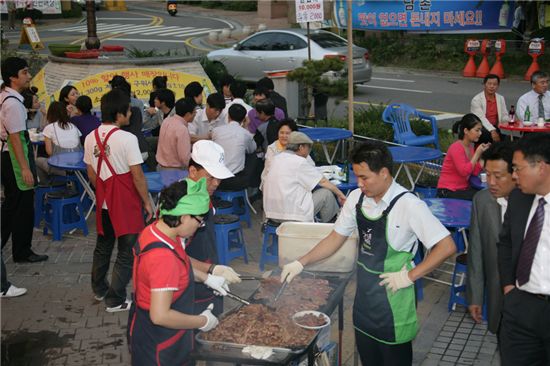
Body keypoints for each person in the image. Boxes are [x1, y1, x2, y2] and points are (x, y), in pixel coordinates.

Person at [281, 141, 457, 366]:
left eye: (364, 177)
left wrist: (409, 277)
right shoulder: (356, 198)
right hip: (364, 299)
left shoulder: (410, 206)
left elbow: (446, 246)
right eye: (357, 177)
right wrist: (300, 262)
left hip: (394, 301)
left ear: (384, 173)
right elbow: (336, 238)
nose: (359, 183)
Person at [128, 178, 228, 365]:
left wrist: (207, 277)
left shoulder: (158, 230)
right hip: (160, 343)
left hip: (152, 332)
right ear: (183, 217)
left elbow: (180, 258)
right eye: (199, 220)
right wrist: (202, 321)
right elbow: (160, 315)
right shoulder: (162, 259)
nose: (201, 225)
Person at [84, 89, 153, 312]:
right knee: (126, 251)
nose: (131, 113)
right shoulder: (128, 138)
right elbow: (137, 175)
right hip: (125, 202)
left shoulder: (90, 137)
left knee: (103, 247)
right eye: (128, 110)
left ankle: (99, 288)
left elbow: (91, 173)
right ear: (119, 114)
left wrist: (104, 190)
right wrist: (146, 202)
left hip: (104, 200)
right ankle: (115, 299)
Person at [498, 133, 550, 366]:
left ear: (540, 167)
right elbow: (506, 242)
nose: (514, 176)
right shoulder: (519, 198)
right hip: (520, 308)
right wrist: (509, 286)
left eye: (518, 169)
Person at [0, 57, 48, 263]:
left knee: (14, 204)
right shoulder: (13, 104)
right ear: (13, 77)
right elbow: (16, 138)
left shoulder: (6, 97)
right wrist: (25, 168)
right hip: (13, 158)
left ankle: (20, 250)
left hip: (9, 157)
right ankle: (22, 251)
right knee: (20, 205)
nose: (29, 76)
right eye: (25, 73)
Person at [466, 141, 516, 336]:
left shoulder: (535, 203)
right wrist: (476, 296)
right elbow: (476, 251)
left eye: (498, 176)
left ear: (516, 173)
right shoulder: (482, 200)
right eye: (488, 175)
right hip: (498, 299)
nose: (491, 182)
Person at [185, 140, 239, 316]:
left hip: (208, 278)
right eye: (211, 177)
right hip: (189, 285)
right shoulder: (182, 206)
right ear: (193, 171)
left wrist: (215, 269)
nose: (216, 183)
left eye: (219, 178)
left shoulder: (204, 196)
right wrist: (210, 271)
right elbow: (172, 256)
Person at [263, 131, 346, 223]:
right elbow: (323, 182)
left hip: (271, 213)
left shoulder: (276, 158)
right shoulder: (299, 162)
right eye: (308, 148)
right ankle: (330, 229)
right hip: (291, 215)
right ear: (301, 147)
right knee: (326, 194)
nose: (308, 151)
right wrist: (341, 195)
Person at [437, 114, 490, 200]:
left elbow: (475, 172)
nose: (480, 133)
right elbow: (464, 172)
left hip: (462, 189)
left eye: (480, 130)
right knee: (481, 198)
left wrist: (484, 155)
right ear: (466, 131)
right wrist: (477, 154)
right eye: (477, 130)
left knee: (486, 194)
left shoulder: (470, 147)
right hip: (447, 191)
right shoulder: (456, 148)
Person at [35, 101, 82, 184]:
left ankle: (47, 185)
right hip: (78, 167)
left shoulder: (49, 128)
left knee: (37, 160)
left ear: (50, 114)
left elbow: (49, 152)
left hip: (60, 168)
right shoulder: (73, 126)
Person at [213, 104, 257, 191]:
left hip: (216, 178)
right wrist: (245, 126)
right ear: (244, 119)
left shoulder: (216, 131)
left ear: (228, 116)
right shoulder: (245, 134)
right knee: (252, 154)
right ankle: (253, 188)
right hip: (236, 181)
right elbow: (253, 149)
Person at [260, 118, 304, 190]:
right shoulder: (272, 148)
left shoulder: (299, 146)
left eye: (287, 133)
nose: (284, 136)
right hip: (274, 183)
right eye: (281, 132)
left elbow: (309, 163)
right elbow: (271, 170)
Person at [156, 98, 194, 171]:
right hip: (174, 171)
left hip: (160, 167)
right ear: (188, 114)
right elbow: (185, 158)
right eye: (194, 112)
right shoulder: (182, 129)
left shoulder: (166, 120)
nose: (195, 114)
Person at [470, 74, 509, 144]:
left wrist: (511, 120)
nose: (492, 86)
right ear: (484, 84)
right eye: (489, 84)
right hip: (480, 129)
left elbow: (504, 116)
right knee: (495, 139)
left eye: (495, 84)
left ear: (498, 86)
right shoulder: (476, 100)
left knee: (512, 140)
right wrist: (492, 130)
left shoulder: (500, 98)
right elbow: (481, 119)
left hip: (495, 128)